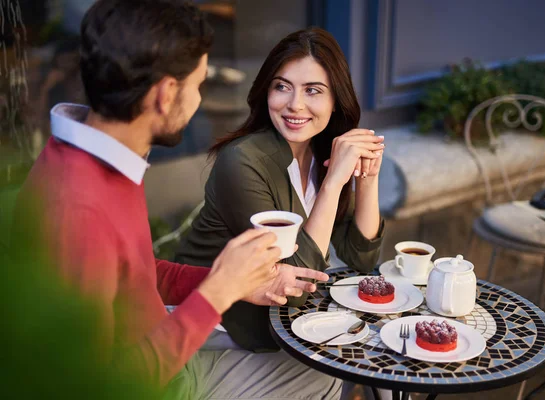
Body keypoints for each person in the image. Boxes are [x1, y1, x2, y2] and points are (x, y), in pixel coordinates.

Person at [11, 1, 340, 399]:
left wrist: (238, 283)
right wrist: (216, 292)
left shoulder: (104, 157)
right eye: (198, 86)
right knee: (323, 369)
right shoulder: (77, 210)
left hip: (169, 353)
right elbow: (97, 386)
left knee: (322, 366)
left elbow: (140, 275)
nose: (200, 100)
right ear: (167, 94)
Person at [176, 27, 385, 352]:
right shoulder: (242, 161)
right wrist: (332, 185)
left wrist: (366, 178)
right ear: (266, 92)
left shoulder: (322, 152)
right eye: (282, 87)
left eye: (313, 91)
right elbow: (296, 285)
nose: (294, 105)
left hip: (288, 321)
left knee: (379, 342)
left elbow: (362, 258)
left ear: (335, 100)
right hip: (215, 331)